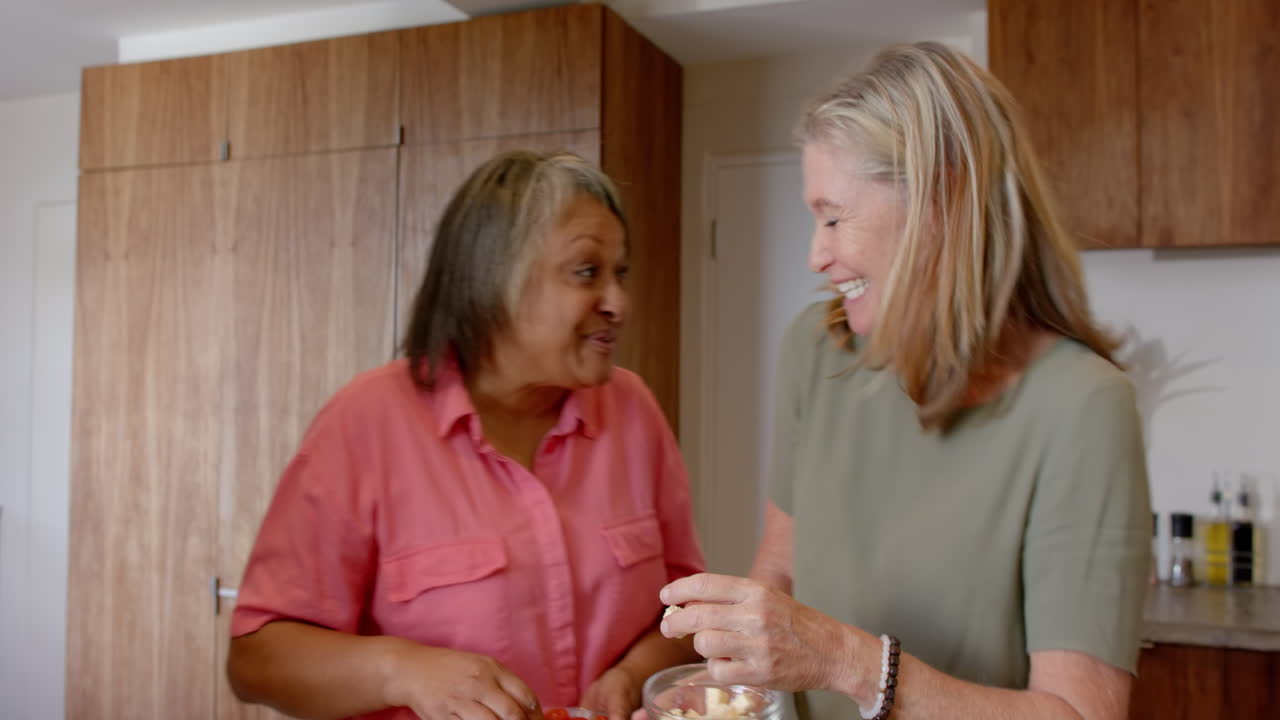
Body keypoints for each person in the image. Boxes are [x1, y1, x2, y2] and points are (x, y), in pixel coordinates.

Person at [658, 42, 1151, 720]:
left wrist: (850, 662)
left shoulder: (1083, 407)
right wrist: (730, 692)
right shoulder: (815, 349)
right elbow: (780, 570)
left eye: (833, 216)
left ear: (940, 200)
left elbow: (1082, 714)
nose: (816, 253)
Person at [226, 150, 703, 720]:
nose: (618, 303)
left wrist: (630, 677)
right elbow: (254, 660)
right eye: (586, 272)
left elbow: (686, 613)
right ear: (493, 279)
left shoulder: (634, 412)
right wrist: (399, 671)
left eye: (620, 273)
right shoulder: (365, 422)